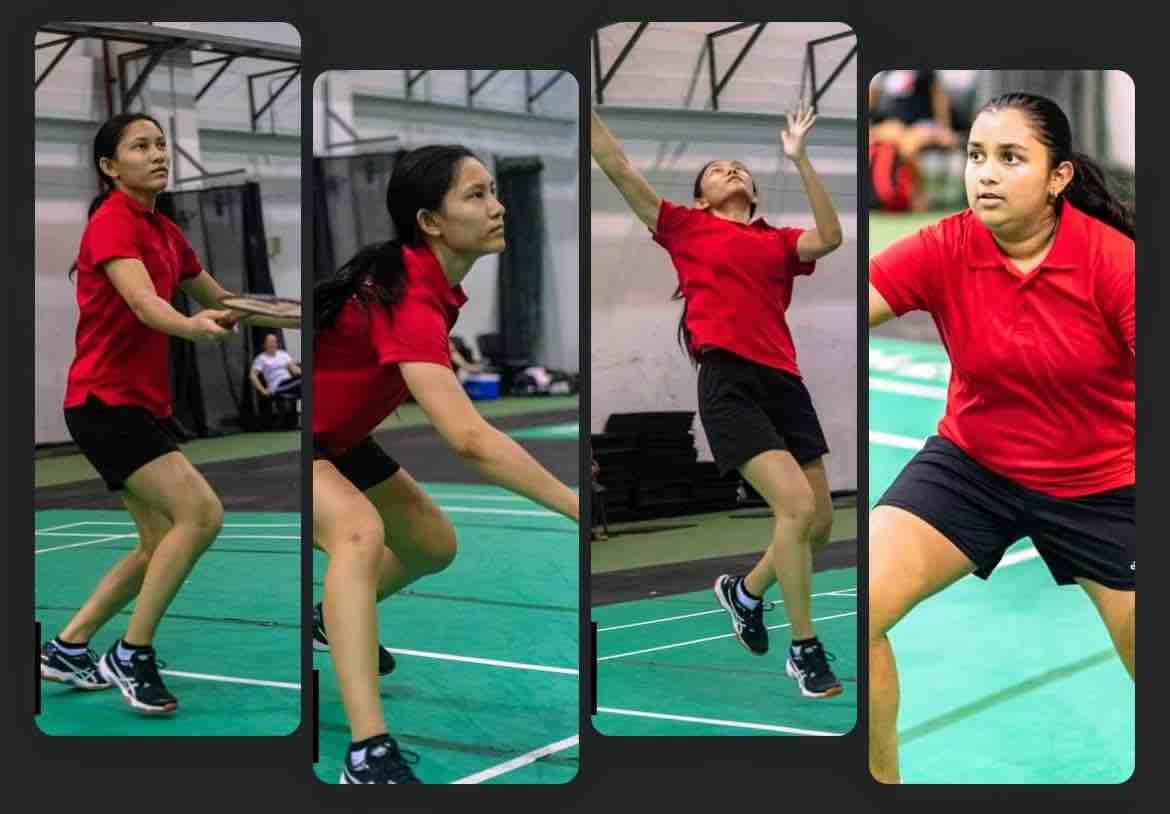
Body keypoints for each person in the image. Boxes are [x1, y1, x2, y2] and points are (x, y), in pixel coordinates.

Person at [868, 92, 1135, 783]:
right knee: (859, 610)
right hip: (972, 468)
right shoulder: (945, 246)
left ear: (1058, 177)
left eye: (1011, 158)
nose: (985, 173)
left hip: (1102, 486)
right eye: (976, 155)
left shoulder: (1114, 262)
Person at [312, 144, 579, 784]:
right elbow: (469, 438)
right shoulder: (406, 296)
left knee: (431, 543)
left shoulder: (423, 284)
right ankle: (367, 754)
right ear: (430, 221)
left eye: (494, 191)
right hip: (311, 441)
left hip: (343, 439)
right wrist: (576, 503)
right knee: (359, 534)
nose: (497, 206)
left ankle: (330, 618)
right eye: (476, 195)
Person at [39, 113, 297, 715]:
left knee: (157, 542)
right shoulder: (111, 224)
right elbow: (144, 303)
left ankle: (68, 648)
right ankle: (131, 653)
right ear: (110, 167)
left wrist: (306, 313)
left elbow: (225, 299)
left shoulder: (165, 231)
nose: (158, 154)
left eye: (160, 144)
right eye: (141, 146)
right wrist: (191, 327)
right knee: (201, 514)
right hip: (104, 402)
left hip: (139, 404)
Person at [590, 102, 846, 698]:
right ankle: (804, 650)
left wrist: (800, 159)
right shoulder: (684, 226)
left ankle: (746, 592)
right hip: (729, 383)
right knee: (795, 508)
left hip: (785, 384)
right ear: (701, 199)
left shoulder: (778, 242)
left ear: (753, 193)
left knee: (820, 524)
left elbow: (831, 237)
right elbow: (616, 164)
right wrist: (587, 110)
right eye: (716, 170)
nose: (730, 170)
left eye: (739, 170)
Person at [250, 333, 301, 427]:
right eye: (270, 342)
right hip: (277, 387)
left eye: (274, 342)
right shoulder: (261, 358)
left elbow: (294, 369)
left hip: (289, 384)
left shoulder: (283, 354)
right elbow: (252, 375)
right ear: (264, 345)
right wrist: (263, 390)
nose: (272, 344)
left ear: (277, 344)